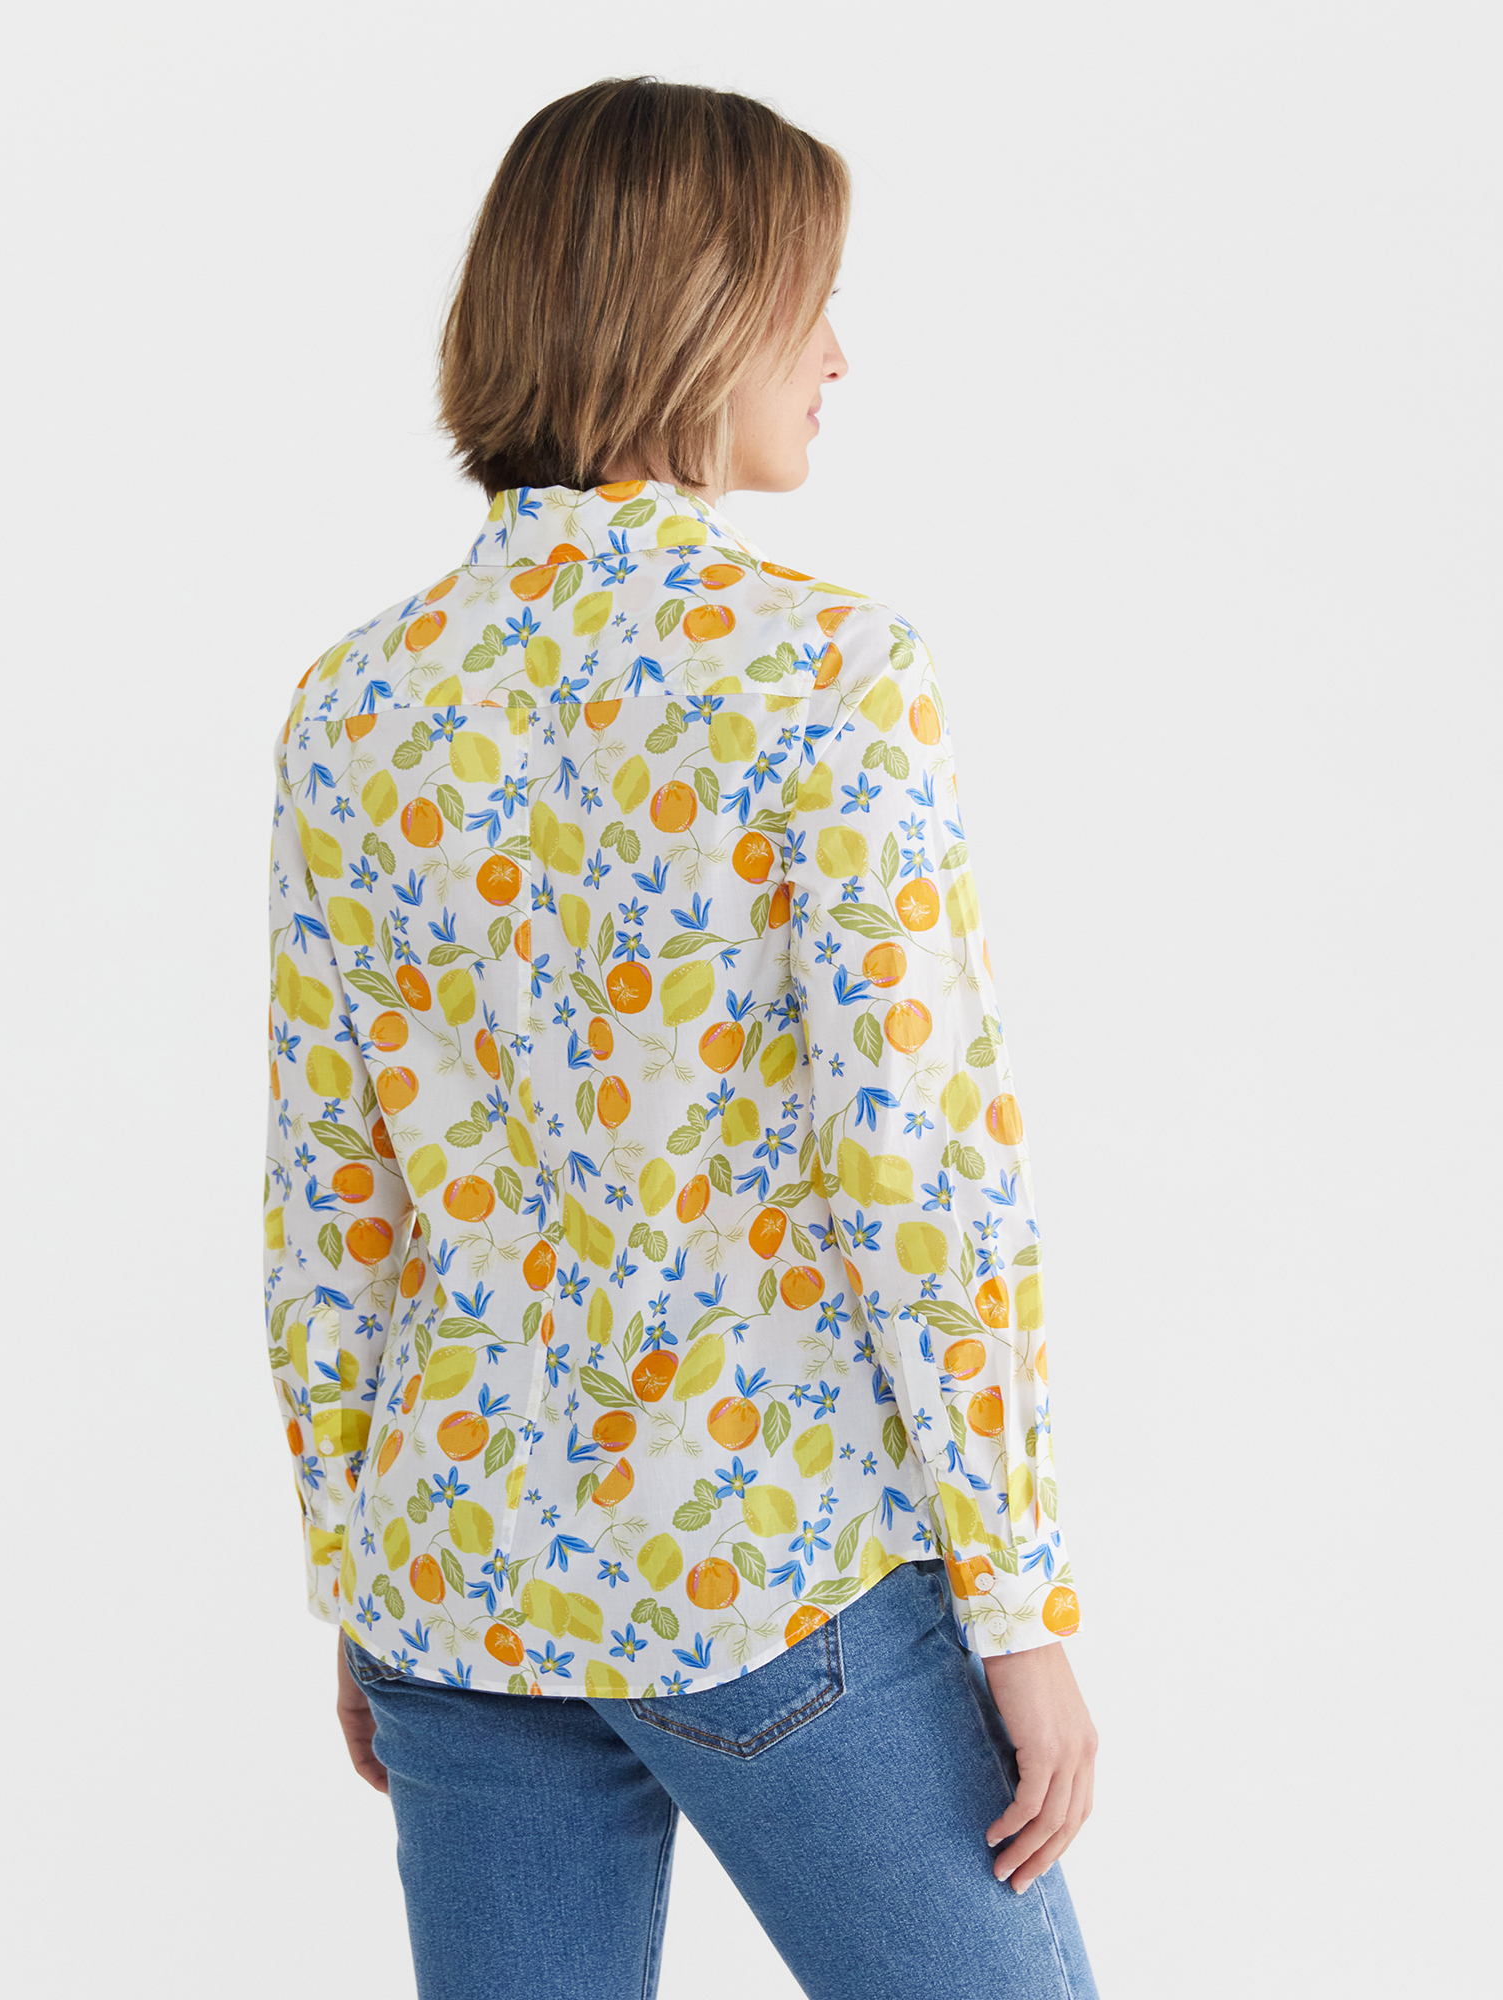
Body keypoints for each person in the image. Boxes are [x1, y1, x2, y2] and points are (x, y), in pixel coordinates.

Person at [263, 76, 1099, 2000]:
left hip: (457, 1577)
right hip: (771, 1563)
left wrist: (360, 1566)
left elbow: (333, 1198)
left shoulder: (354, 706)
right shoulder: (829, 675)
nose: (837, 354)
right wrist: (1021, 1608)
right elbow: (922, 1167)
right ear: (696, 314)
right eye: (811, 298)